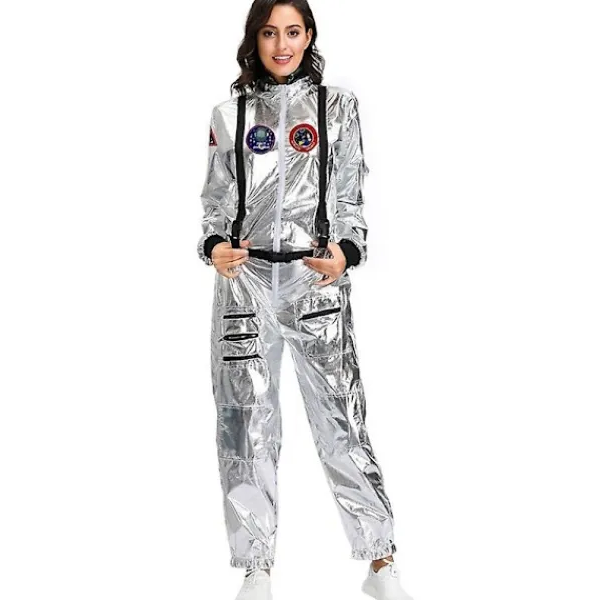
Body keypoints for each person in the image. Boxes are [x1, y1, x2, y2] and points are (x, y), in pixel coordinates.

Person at [197, 2, 413, 599]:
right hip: (245, 283)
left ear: (309, 36)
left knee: (341, 420)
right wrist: (214, 247)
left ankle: (380, 561)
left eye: (293, 32)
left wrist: (347, 252)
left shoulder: (335, 107)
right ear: (255, 39)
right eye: (270, 33)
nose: (282, 45)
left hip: (314, 280)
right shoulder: (229, 115)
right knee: (244, 425)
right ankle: (256, 567)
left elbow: (349, 194)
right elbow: (215, 201)